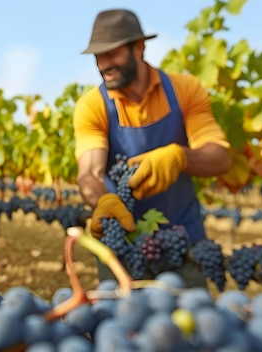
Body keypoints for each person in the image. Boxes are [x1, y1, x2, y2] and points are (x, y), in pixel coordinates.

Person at [73, 9, 232, 287]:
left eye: (112, 53)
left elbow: (219, 158)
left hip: (183, 239)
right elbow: (89, 173)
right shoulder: (92, 106)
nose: (103, 64)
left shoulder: (185, 90)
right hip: (123, 242)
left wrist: (180, 157)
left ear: (139, 48)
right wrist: (104, 200)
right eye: (98, 55)